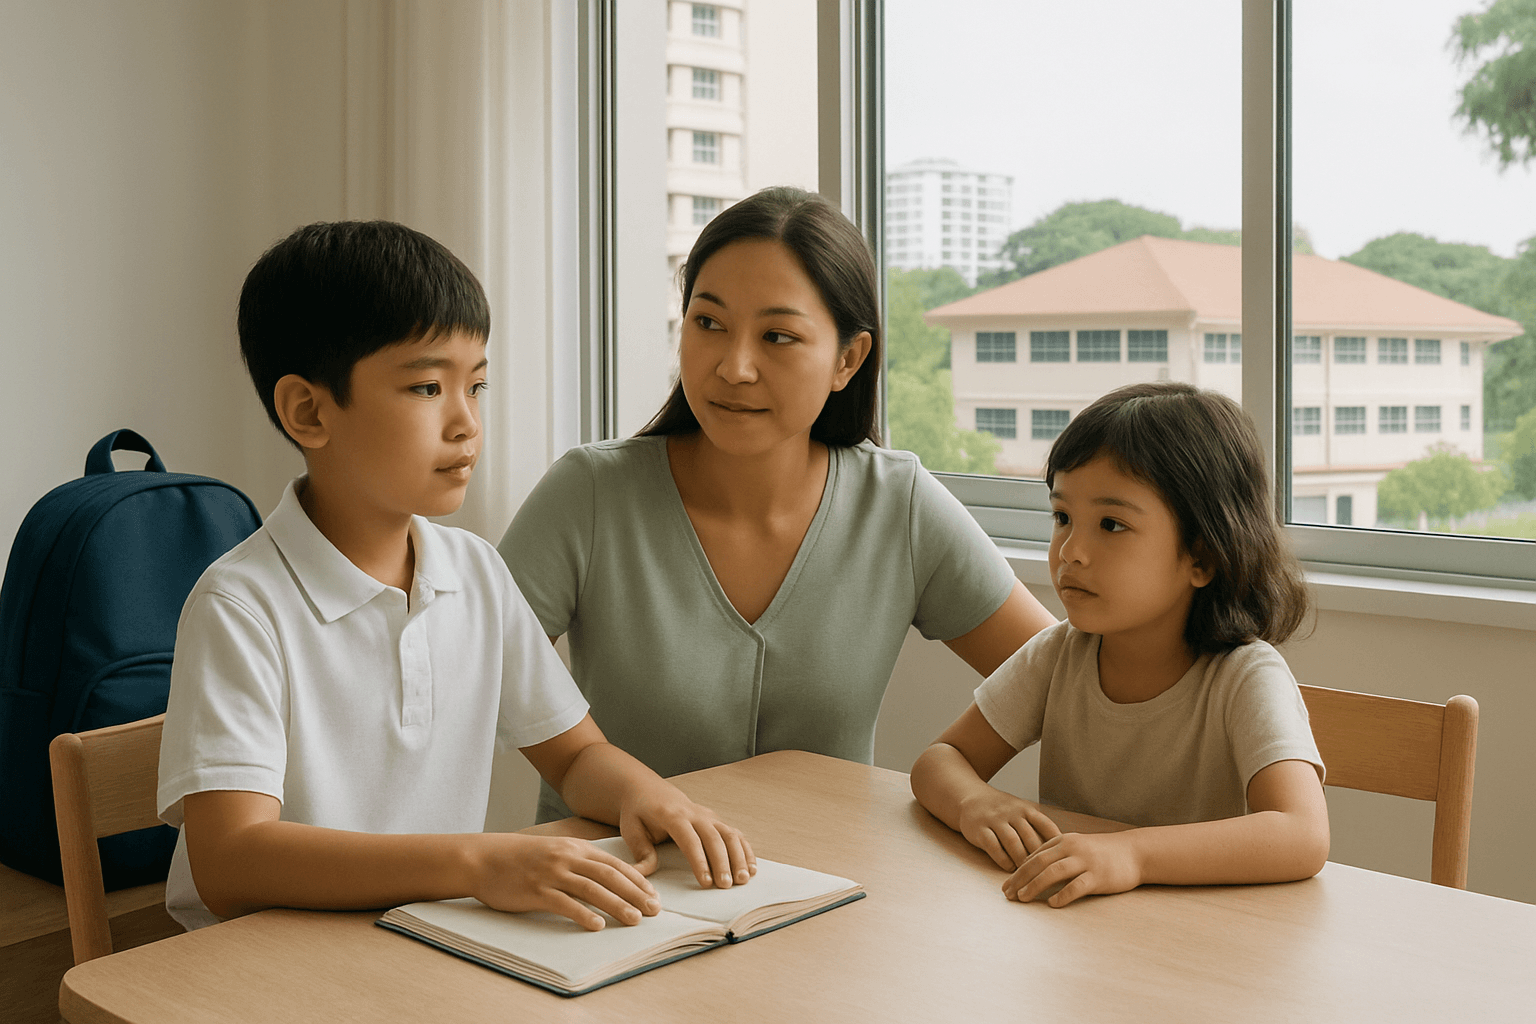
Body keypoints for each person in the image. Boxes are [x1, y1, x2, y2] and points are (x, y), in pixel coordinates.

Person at [157, 221, 755, 934]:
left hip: (419, 944)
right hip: (261, 968)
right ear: (309, 411)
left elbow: (575, 755)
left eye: (476, 385)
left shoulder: (473, 571)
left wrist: (652, 797)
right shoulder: (242, 605)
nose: (466, 422)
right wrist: (478, 864)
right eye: (426, 387)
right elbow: (232, 862)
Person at [500, 186, 1056, 823]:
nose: (734, 367)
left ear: (848, 359)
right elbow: (468, 669)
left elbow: (1061, 679)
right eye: (708, 323)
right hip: (620, 892)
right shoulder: (590, 494)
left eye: (778, 337)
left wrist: (961, 781)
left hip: (832, 895)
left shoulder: (898, 505)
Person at [910, 381, 1329, 908]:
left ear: (1202, 556)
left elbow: (1302, 835)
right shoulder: (1060, 653)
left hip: (1200, 942)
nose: (1072, 551)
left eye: (1111, 524)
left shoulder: (1245, 674)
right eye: (1062, 517)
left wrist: (1131, 855)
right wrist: (976, 803)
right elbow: (940, 760)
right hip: (1078, 932)